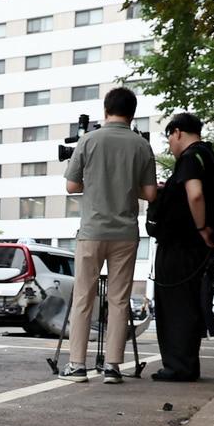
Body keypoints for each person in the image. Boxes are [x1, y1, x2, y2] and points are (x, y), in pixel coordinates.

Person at [59, 86, 158, 384]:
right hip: (126, 233)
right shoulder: (141, 146)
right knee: (118, 300)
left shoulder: (88, 140)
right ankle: (113, 366)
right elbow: (151, 193)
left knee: (84, 297)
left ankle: (77, 365)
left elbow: (71, 186)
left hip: (92, 231)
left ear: (106, 110)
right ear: (132, 113)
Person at [152, 112, 214, 382]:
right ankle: (185, 364)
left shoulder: (190, 157)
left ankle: (177, 366)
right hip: (192, 247)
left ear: (177, 132)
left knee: (175, 304)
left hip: (182, 244)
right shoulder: (209, 156)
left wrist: (201, 227)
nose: (170, 145)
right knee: (188, 304)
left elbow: (195, 194)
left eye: (170, 138)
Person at [201, 263, 214, 338]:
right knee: (202, 309)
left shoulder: (213, 258)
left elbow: (212, 272)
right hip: (203, 284)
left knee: (206, 309)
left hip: (207, 285)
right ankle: (203, 332)